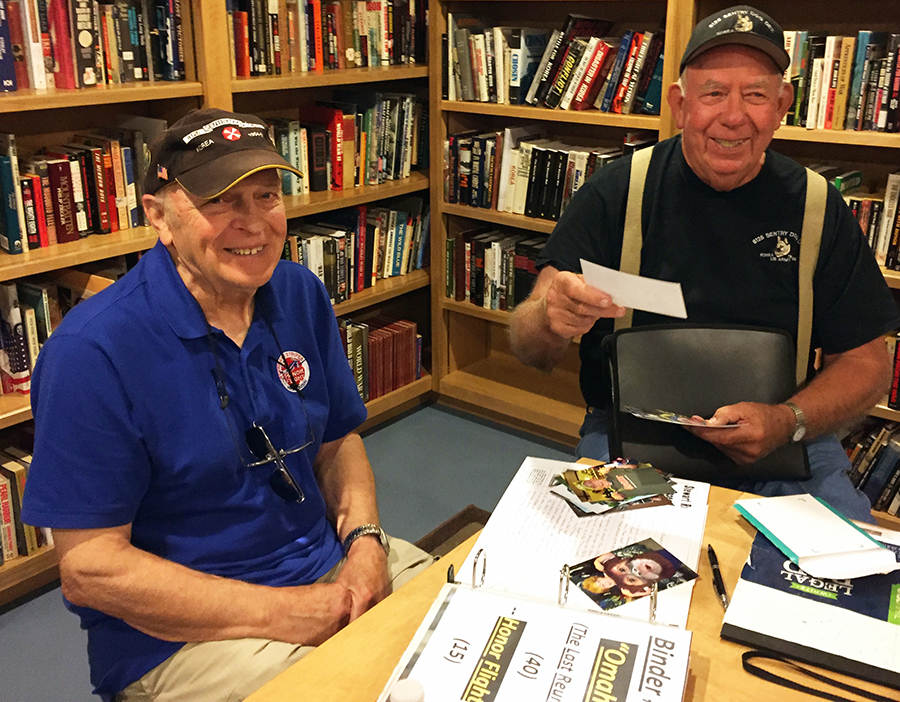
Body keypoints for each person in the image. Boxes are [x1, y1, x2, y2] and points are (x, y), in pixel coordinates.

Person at [21, 108, 433, 702]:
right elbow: (91, 571)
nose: (254, 224)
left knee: (478, 625)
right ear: (159, 216)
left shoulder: (298, 291)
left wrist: (366, 539)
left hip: (326, 571)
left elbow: (339, 439)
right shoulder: (92, 352)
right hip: (184, 635)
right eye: (220, 202)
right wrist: (285, 613)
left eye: (267, 195)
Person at [509, 5, 900, 522]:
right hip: (634, 441)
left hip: (782, 446)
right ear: (679, 103)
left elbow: (869, 366)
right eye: (713, 92)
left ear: (782, 104)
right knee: (601, 574)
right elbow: (528, 347)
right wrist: (547, 318)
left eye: (756, 94)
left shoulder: (817, 207)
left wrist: (789, 420)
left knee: (843, 582)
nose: (734, 116)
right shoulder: (617, 191)